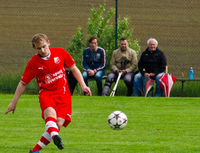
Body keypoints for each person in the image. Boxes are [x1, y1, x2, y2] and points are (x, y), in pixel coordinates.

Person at [4, 33, 91, 153]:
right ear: (35, 49)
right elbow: (23, 83)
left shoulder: (60, 52)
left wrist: (83, 85)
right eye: (39, 48)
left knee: (59, 123)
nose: (43, 50)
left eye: (44, 46)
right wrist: (13, 102)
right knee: (50, 114)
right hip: (46, 93)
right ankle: (55, 135)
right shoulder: (33, 63)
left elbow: (74, 68)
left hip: (64, 94)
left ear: (49, 43)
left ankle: (35, 150)